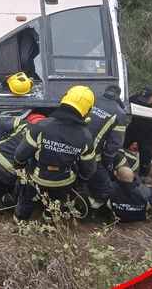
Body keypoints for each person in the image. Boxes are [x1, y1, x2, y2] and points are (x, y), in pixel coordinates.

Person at [12, 85, 97, 223]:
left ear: (64, 100)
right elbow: (89, 169)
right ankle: (44, 228)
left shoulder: (42, 126)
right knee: (54, 208)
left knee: (26, 202)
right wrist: (80, 180)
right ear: (87, 110)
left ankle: (19, 225)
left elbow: (21, 154)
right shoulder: (86, 137)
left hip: (37, 178)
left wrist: (19, 166)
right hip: (64, 182)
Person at [86, 85, 128, 214]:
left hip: (73, 147)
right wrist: (107, 162)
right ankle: (92, 213)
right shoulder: (119, 113)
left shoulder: (91, 100)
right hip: (92, 155)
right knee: (104, 187)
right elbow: (114, 144)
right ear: (118, 96)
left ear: (104, 91)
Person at [123, 86, 152, 182]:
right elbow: (125, 104)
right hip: (134, 128)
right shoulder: (136, 99)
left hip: (149, 135)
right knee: (121, 146)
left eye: (146, 100)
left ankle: (142, 176)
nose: (143, 102)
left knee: (146, 156)